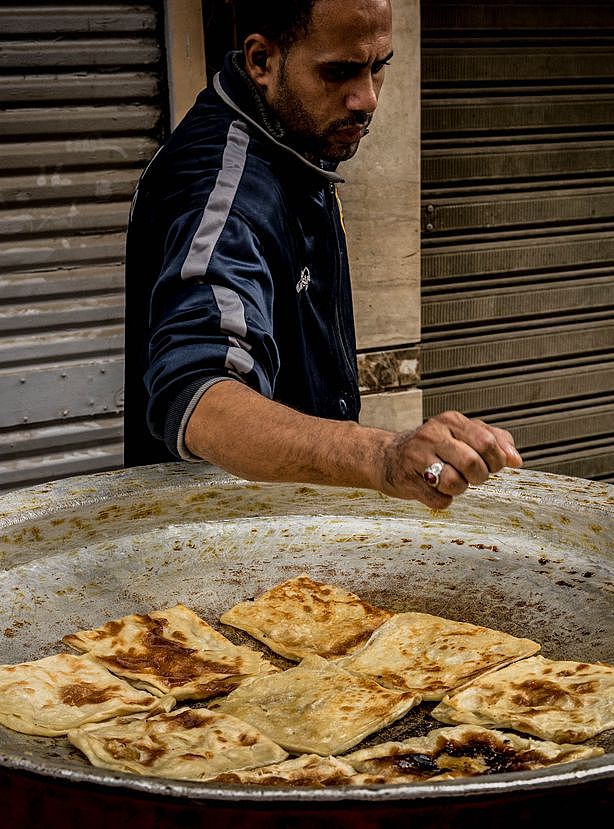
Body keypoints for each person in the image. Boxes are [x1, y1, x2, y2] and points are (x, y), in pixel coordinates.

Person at [124, 0, 520, 509]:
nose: (367, 98)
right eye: (339, 72)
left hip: (284, 522)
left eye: (379, 67)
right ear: (262, 61)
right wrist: (382, 456)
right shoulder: (222, 188)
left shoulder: (295, 142)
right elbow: (200, 400)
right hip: (219, 548)